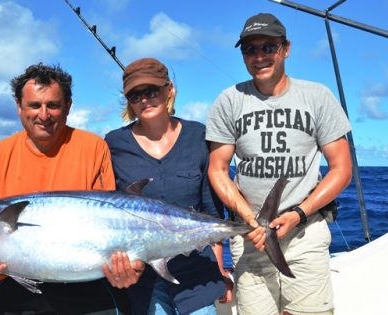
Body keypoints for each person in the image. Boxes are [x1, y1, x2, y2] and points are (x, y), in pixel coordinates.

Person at [0, 62, 139, 314]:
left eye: (52, 105)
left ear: (67, 107)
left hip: (86, 281)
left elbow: (110, 223)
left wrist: (128, 265)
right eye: (34, 105)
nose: (43, 114)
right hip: (17, 283)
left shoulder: (93, 147)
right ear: (19, 108)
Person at [206, 13, 352, 315]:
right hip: (250, 238)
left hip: (305, 233)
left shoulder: (318, 96)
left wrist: (299, 213)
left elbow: (341, 168)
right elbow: (217, 168)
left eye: (268, 47)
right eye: (250, 50)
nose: (260, 56)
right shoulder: (229, 100)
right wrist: (249, 220)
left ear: (285, 48)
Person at [104, 57, 233, 315]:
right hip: (143, 280)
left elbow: (211, 211)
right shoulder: (114, 144)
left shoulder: (199, 136)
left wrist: (219, 269)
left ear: (169, 89)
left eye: (151, 91)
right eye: (135, 95)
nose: (144, 99)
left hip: (197, 273)